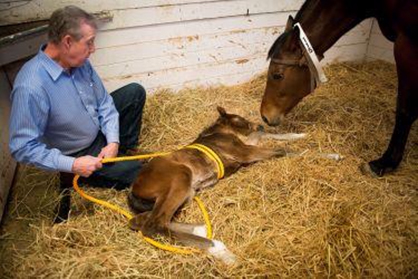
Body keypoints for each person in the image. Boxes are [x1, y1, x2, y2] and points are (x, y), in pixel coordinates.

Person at [9, 6, 145, 219]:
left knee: (134, 92)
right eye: (89, 42)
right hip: (79, 153)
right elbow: (22, 148)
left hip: (98, 132)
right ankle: (84, 175)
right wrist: (73, 164)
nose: (93, 49)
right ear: (68, 41)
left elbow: (105, 104)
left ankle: (121, 153)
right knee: (143, 172)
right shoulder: (31, 86)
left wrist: (113, 142)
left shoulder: (81, 64)